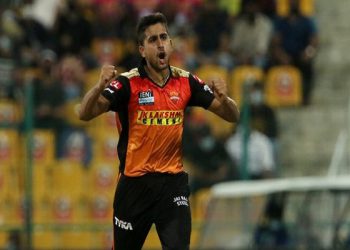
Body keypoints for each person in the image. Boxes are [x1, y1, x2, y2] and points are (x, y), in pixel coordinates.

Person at [78, 12, 239, 250]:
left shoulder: (186, 82)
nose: (160, 44)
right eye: (153, 40)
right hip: (134, 187)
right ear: (142, 50)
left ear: (171, 43)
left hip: (172, 184)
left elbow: (232, 115)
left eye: (164, 37)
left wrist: (225, 99)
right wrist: (98, 87)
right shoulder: (127, 83)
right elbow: (85, 113)